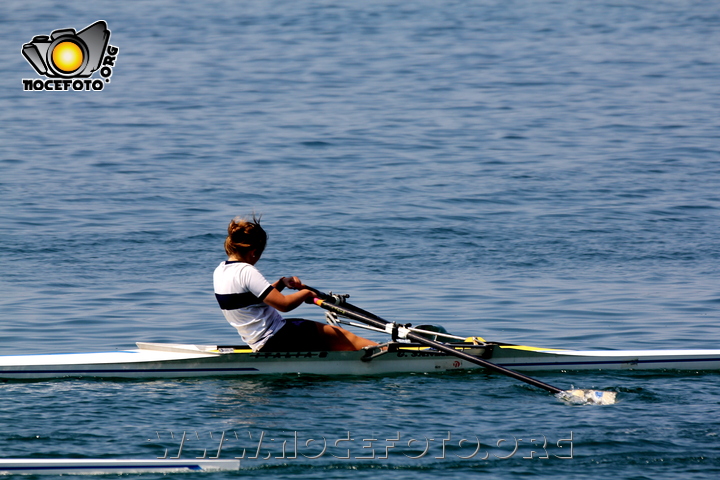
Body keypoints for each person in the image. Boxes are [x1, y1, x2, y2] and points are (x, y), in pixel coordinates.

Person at [213, 215, 378, 352]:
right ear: (255, 252)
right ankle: (384, 352)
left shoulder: (220, 271)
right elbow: (284, 305)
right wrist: (306, 293)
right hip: (278, 337)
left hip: (258, 342)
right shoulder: (246, 271)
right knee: (342, 336)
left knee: (326, 337)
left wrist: (282, 283)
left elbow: (250, 298)